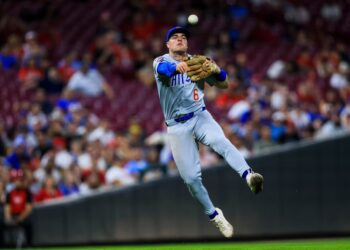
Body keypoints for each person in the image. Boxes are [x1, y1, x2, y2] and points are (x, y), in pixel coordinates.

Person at [152, 26, 264, 238]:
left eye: (183, 37)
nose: (179, 40)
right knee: (191, 179)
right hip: (177, 126)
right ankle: (214, 215)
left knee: (221, 141)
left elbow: (225, 84)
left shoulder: (199, 61)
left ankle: (249, 175)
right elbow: (164, 72)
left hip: (200, 116)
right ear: (168, 44)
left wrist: (216, 70)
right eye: (174, 38)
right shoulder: (160, 61)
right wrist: (179, 68)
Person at [4, 170, 33, 247]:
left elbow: (29, 209)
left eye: (20, 180)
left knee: (28, 223)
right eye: (16, 180)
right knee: (3, 223)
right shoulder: (10, 193)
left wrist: (19, 218)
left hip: (22, 217)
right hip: (13, 215)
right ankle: (4, 245)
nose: (18, 182)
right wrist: (8, 218)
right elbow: (7, 208)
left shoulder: (27, 192)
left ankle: (28, 246)